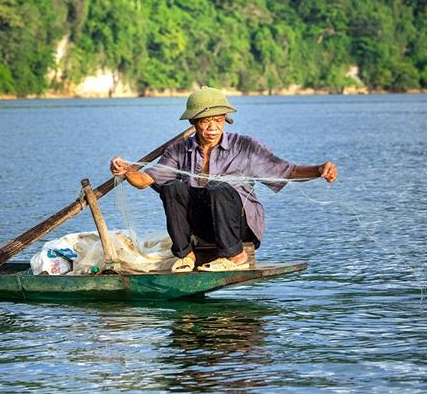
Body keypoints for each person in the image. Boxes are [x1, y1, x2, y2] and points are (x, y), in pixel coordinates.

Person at [110, 87, 337, 272]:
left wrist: (318, 170)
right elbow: (144, 180)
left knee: (219, 188)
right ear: (193, 122)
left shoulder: (245, 146)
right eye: (205, 121)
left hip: (239, 228)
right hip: (203, 227)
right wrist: (126, 170)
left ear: (225, 120)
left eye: (218, 120)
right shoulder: (178, 150)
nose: (213, 128)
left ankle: (235, 257)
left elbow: (287, 171)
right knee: (172, 188)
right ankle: (186, 255)